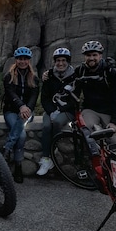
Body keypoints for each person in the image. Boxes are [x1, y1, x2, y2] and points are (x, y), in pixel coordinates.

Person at [2, 47, 40, 183]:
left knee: (20, 131)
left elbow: (34, 97)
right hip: (11, 111)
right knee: (22, 135)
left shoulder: (34, 78)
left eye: (25, 59)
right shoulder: (9, 76)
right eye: (20, 59)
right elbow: (10, 93)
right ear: (16, 60)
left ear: (28, 60)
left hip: (28, 111)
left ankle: (7, 150)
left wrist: (26, 108)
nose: (22, 61)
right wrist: (21, 106)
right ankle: (18, 166)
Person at [74, 40, 116, 144]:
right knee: (89, 133)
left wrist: (115, 122)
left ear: (100, 56)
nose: (91, 58)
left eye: (94, 55)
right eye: (88, 55)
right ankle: (95, 158)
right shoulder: (80, 71)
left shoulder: (110, 72)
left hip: (109, 111)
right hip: (90, 110)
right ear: (84, 57)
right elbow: (72, 88)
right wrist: (48, 74)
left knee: (115, 142)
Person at [37, 47, 76, 176]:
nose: (60, 63)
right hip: (51, 110)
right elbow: (45, 98)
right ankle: (46, 159)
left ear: (68, 61)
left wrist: (60, 110)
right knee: (47, 125)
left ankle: (54, 151)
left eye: (63, 60)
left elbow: (75, 99)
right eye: (58, 60)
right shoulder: (49, 76)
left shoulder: (74, 76)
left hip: (67, 111)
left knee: (58, 123)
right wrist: (52, 110)